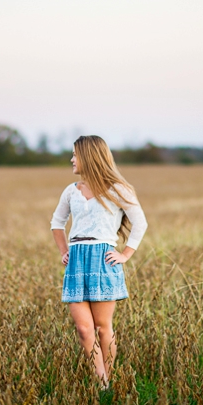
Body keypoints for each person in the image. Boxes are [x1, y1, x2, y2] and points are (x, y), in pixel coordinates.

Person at [49, 135, 149, 389]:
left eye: (75, 154)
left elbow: (141, 223)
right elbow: (56, 223)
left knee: (103, 328)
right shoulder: (71, 191)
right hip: (76, 260)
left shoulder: (118, 189)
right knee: (84, 329)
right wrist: (64, 250)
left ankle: (108, 384)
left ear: (89, 156)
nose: (71, 159)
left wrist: (124, 255)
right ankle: (100, 380)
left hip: (103, 260)